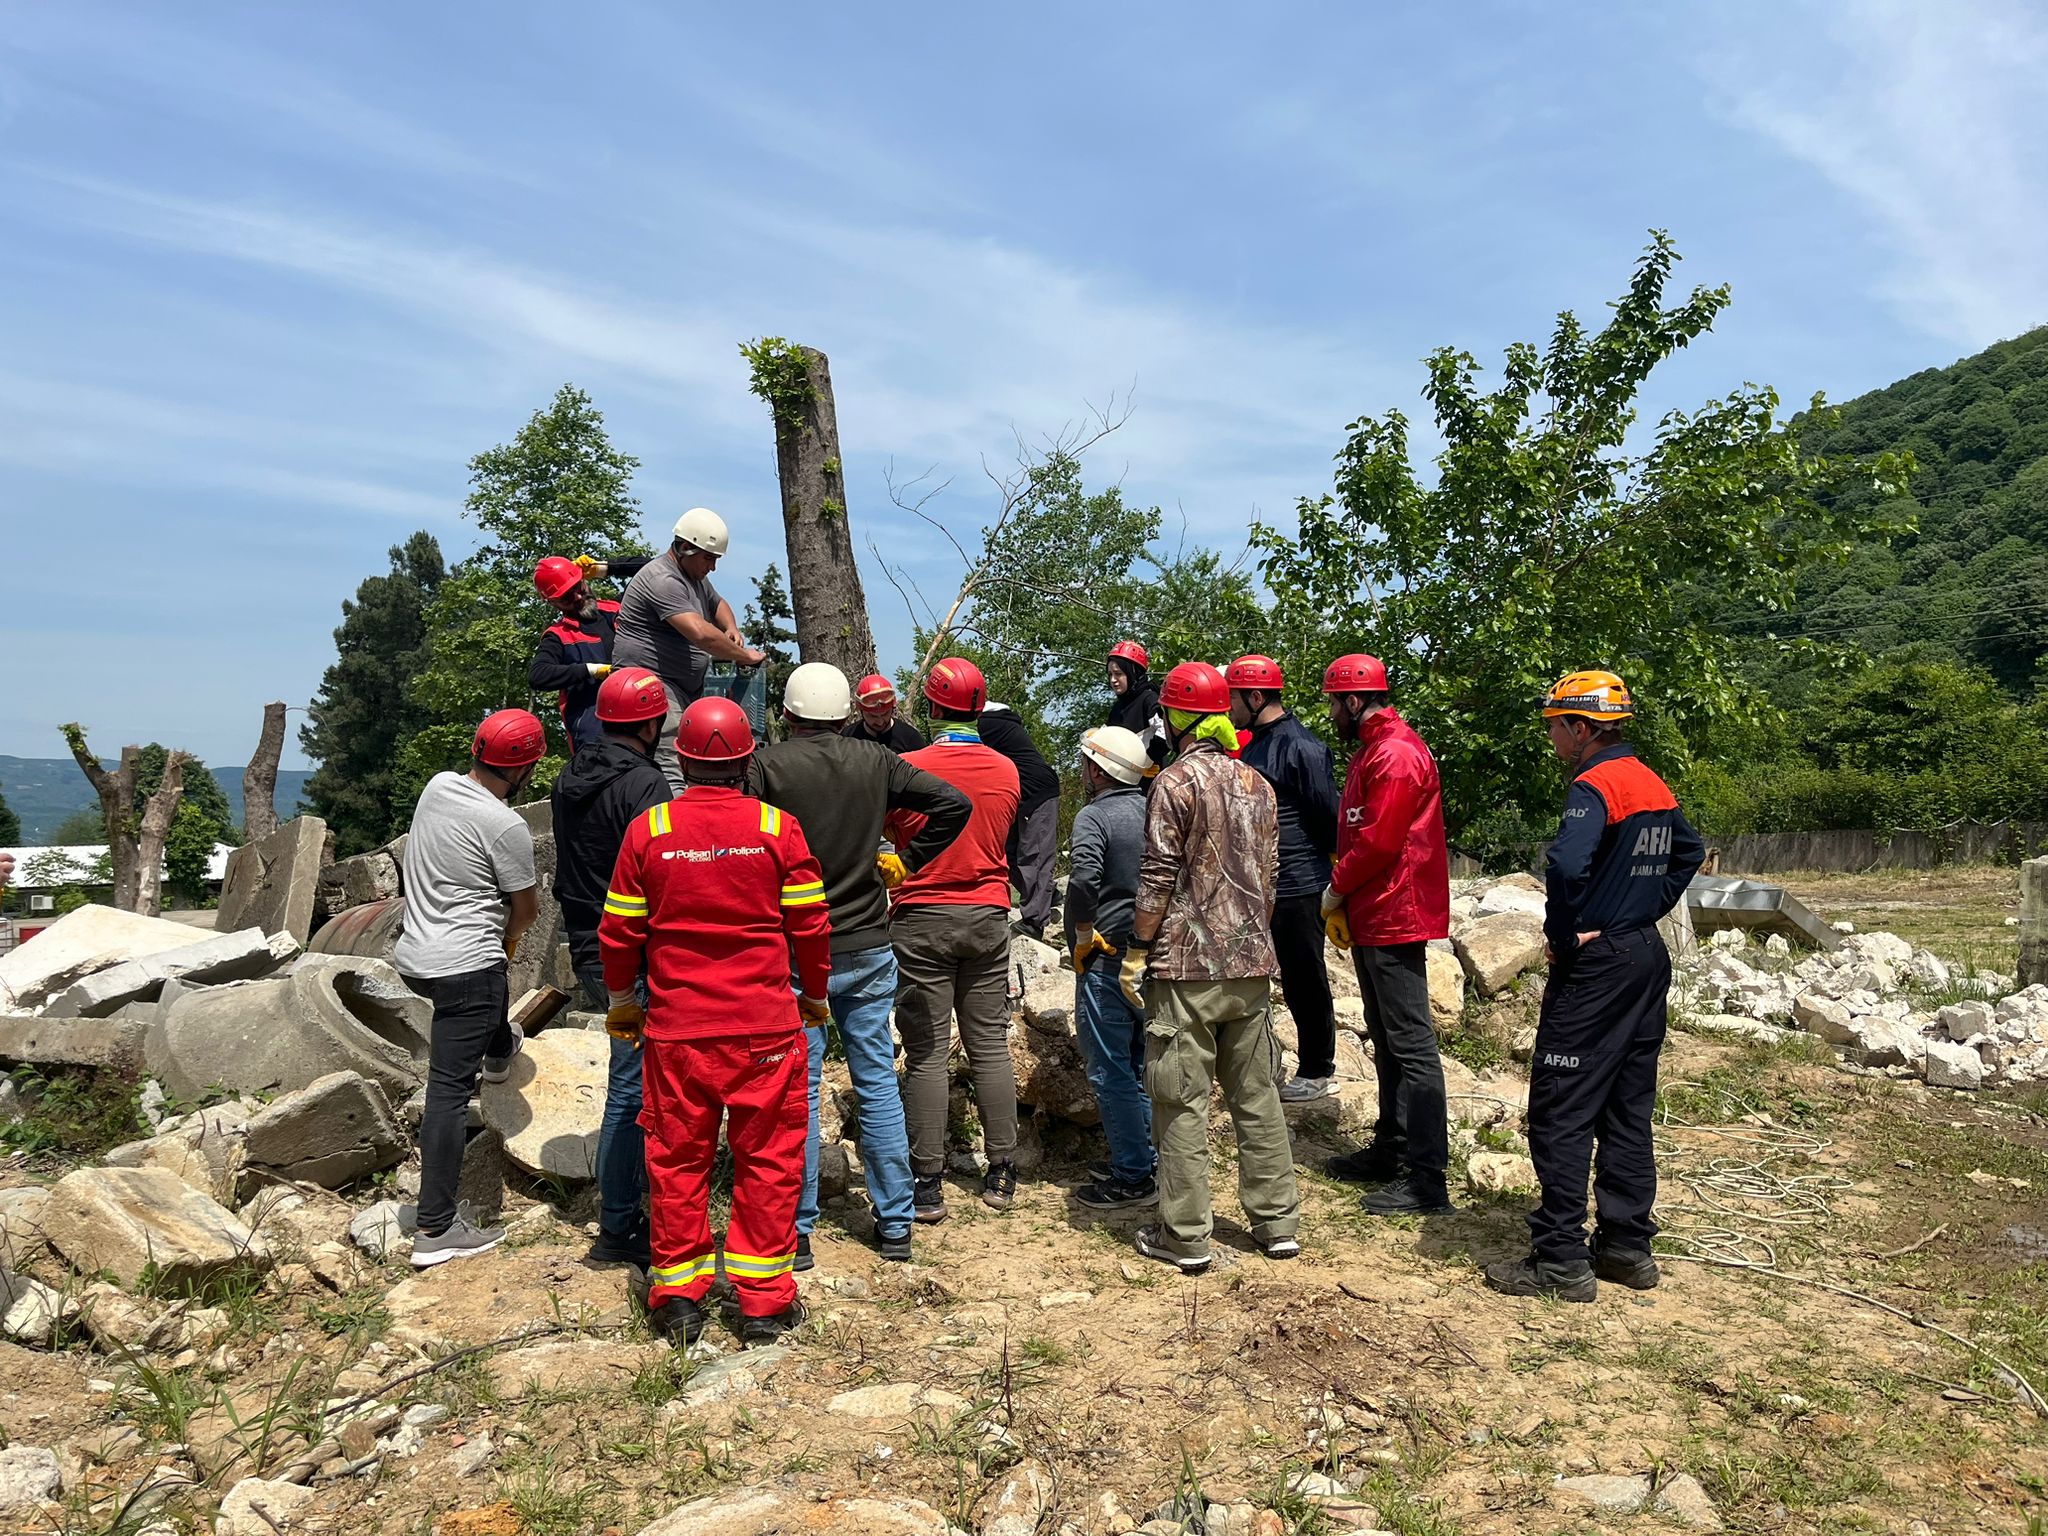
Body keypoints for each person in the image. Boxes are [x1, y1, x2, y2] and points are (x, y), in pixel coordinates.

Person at [599, 696, 829, 1346]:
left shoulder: (651, 830)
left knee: (676, 1161)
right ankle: (762, 1304)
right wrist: (813, 994)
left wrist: (622, 1000)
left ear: (682, 757)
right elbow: (810, 927)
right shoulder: (777, 828)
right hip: (764, 1029)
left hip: (677, 1033)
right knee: (770, 1160)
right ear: (746, 757)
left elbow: (618, 932)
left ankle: (678, 1299)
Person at [1485, 671, 1704, 1302]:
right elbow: (1688, 851)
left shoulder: (1593, 783)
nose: (1551, 735)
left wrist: (1566, 932)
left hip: (1600, 964)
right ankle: (1626, 1248)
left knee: (1561, 1106)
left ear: (1581, 727)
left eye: (1556, 724)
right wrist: (1642, 909)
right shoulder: (1650, 781)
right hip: (1643, 955)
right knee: (1627, 1108)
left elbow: (1566, 863)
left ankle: (1558, 1258)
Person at [748, 662, 971, 1267]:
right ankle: (896, 1221)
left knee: (800, 1086)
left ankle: (795, 1232)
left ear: (787, 715)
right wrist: (908, 856)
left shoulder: (766, 766)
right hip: (868, 942)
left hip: (795, 948)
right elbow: (953, 804)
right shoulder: (877, 762)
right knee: (876, 1081)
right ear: (847, 714)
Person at [1121, 661, 1298, 1272]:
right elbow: (1269, 881)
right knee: (1257, 1098)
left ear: (1175, 717)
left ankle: (1186, 1235)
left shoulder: (1174, 784)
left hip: (1187, 969)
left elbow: (1157, 877)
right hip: (1251, 965)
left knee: (1180, 1101)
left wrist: (1139, 948)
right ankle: (1277, 1224)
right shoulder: (1259, 786)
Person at [394, 709, 545, 1268]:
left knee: (489, 1015)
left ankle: (500, 1045)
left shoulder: (438, 788)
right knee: (449, 1095)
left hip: (417, 958)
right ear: (528, 766)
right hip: (466, 966)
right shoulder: (506, 827)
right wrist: (501, 953)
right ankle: (435, 1228)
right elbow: (525, 911)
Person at [1317, 654, 1456, 1217]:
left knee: (1413, 1044)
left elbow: (1378, 842)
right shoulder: (1374, 750)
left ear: (1354, 701)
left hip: (1395, 910)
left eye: (1332, 701)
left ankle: (1428, 1180)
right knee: (1387, 1034)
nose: (1330, 712)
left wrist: (1335, 886)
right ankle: (1392, 1148)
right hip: (1377, 909)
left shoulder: (1394, 754)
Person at [886, 658, 1023, 1221]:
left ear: (936, 706)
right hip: (987, 914)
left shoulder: (906, 767)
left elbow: (892, 832)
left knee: (926, 1053)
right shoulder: (1007, 770)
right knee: (988, 1043)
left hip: (921, 916)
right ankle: (1003, 1170)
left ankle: (928, 1182)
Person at [548, 666, 672, 1267]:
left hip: (588, 945)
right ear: (650, 723)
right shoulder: (645, 785)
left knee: (631, 1080)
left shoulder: (569, 775)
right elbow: (659, 874)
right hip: (635, 947)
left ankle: (627, 1210)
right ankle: (620, 1226)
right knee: (633, 1087)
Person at [1226, 655, 1341, 1103]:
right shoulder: (1254, 743)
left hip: (1298, 881)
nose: (1229, 707)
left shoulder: (1302, 747)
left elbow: (1328, 817)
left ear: (1255, 697)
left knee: (1304, 975)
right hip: (1261, 883)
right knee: (1270, 976)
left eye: (1234, 698)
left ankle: (1318, 1067)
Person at [1065, 725, 1157, 1210]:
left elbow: (1083, 878)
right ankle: (1147, 1157)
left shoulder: (1094, 817)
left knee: (1109, 1068)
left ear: (1098, 769)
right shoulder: (1154, 808)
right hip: (1151, 953)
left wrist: (1082, 933)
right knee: (1143, 1064)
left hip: (1105, 955)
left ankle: (1133, 1177)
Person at [610, 508, 766, 792]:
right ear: (684, 548)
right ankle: (676, 828)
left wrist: (731, 627)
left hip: (679, 687)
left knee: (684, 757)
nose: (713, 567)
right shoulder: (663, 580)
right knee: (671, 758)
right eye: (709, 558)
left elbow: (718, 604)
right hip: (653, 686)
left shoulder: (694, 578)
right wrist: (745, 656)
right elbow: (699, 633)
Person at [526, 554, 651, 751]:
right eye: (567, 596)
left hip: (642, 726)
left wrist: (605, 567)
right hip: (594, 741)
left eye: (578, 587)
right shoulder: (558, 636)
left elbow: (653, 568)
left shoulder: (619, 609)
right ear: (553, 603)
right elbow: (538, 676)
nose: (578, 597)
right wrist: (590, 671)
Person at [976, 701, 1060, 940]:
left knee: (1034, 856)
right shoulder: (995, 722)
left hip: (1038, 791)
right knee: (1009, 854)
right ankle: (1048, 895)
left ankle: (1035, 922)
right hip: (1018, 795)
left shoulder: (986, 725)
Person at [1104, 640, 1169, 771]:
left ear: (1133, 673)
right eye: (1110, 674)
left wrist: (1148, 759)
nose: (1113, 680)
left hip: (1149, 781)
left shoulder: (1149, 699)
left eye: (1118, 674)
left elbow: (1165, 732)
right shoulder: (1117, 708)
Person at [842, 674, 925, 754]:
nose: (880, 722)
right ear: (861, 710)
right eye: (873, 716)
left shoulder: (911, 738)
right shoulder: (847, 738)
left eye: (885, 714)